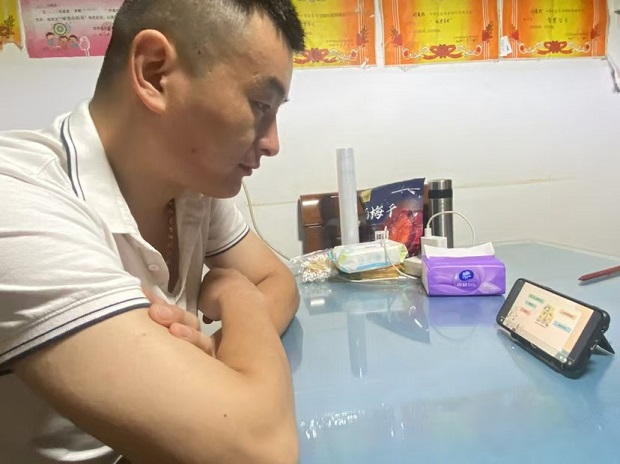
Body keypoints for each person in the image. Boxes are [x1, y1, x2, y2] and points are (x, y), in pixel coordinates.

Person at [0, 0, 305, 463]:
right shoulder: (19, 197)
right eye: (261, 105)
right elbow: (260, 450)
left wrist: (212, 356)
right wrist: (237, 294)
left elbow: (278, 281)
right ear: (154, 72)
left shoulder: (193, 187)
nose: (272, 143)